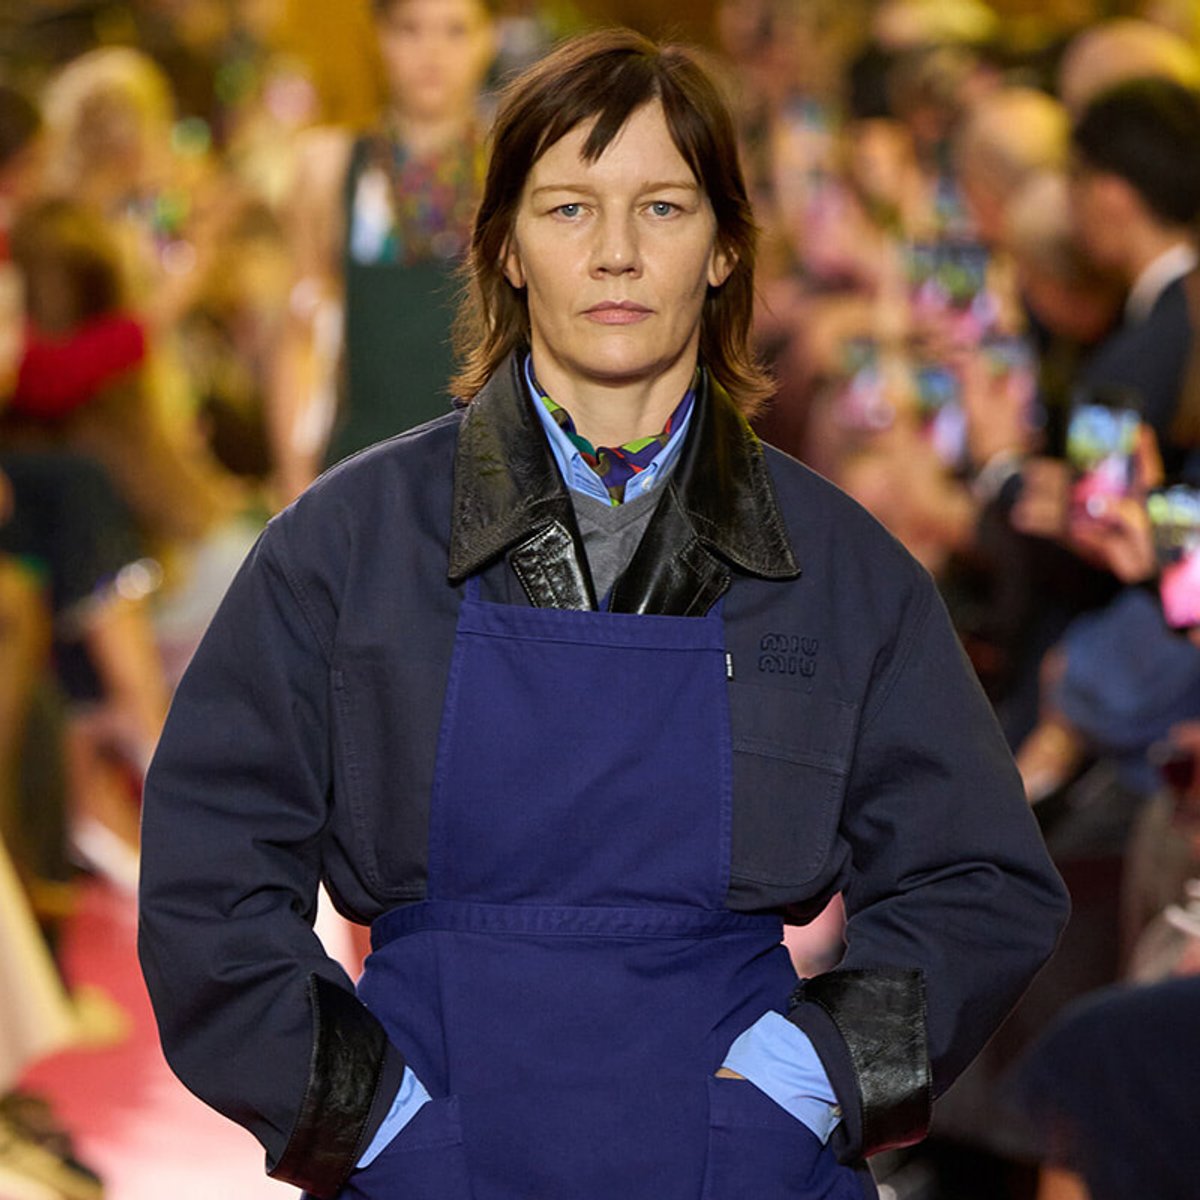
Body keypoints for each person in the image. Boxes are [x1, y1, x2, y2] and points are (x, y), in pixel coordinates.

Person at [138, 29, 1069, 1200]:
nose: (618, 253)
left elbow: (979, 877)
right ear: (507, 250)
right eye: (569, 208)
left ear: (727, 248)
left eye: (665, 209)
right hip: (430, 1144)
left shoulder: (838, 566)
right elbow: (205, 876)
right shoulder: (346, 548)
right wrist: (366, 1118)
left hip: (737, 1159)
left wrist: (806, 1081)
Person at [270, 0, 496, 503]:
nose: (432, 52)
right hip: (362, 464)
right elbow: (302, 328)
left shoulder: (512, 169)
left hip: (489, 466)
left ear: (489, 40)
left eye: (456, 31)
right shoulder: (328, 167)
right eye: (410, 29)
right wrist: (293, 477)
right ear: (379, 38)